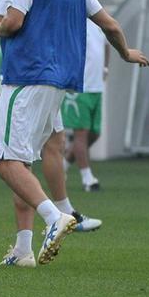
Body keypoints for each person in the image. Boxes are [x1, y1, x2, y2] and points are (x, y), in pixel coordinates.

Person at [0, 0, 149, 265]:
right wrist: (126, 53)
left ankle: (55, 217)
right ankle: (24, 250)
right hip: (59, 83)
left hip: (26, 77)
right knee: (22, 164)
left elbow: (13, 21)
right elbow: (112, 25)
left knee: (8, 163)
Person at [0, 0, 103, 268]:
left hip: (39, 82)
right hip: (23, 83)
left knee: (24, 155)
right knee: (11, 157)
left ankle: (39, 230)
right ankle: (50, 220)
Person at [62, 19, 108, 191]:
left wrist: (105, 68)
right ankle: (88, 179)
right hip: (79, 88)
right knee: (80, 134)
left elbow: (107, 44)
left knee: (95, 134)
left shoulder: (97, 21)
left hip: (96, 87)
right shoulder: (71, 22)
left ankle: (63, 164)